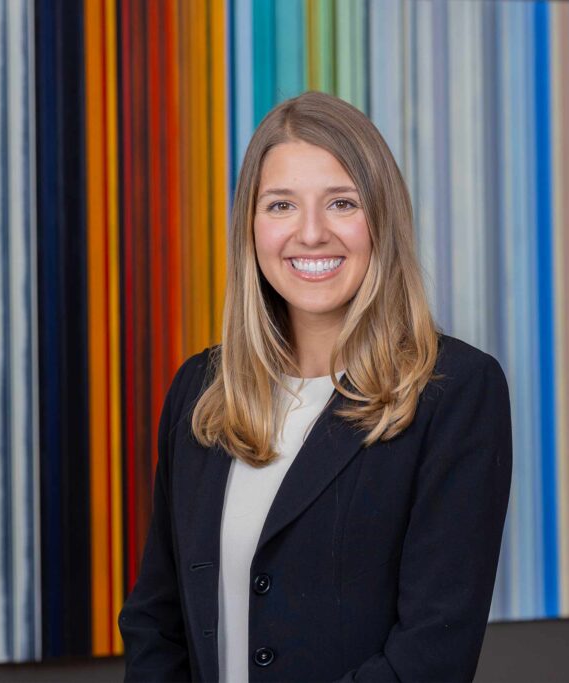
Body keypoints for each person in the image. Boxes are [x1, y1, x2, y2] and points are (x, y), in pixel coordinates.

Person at [118, 90, 512, 683]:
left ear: (382, 219)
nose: (310, 233)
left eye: (342, 203)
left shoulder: (455, 394)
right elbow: (158, 622)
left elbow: (432, 653)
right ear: (250, 226)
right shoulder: (202, 391)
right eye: (280, 205)